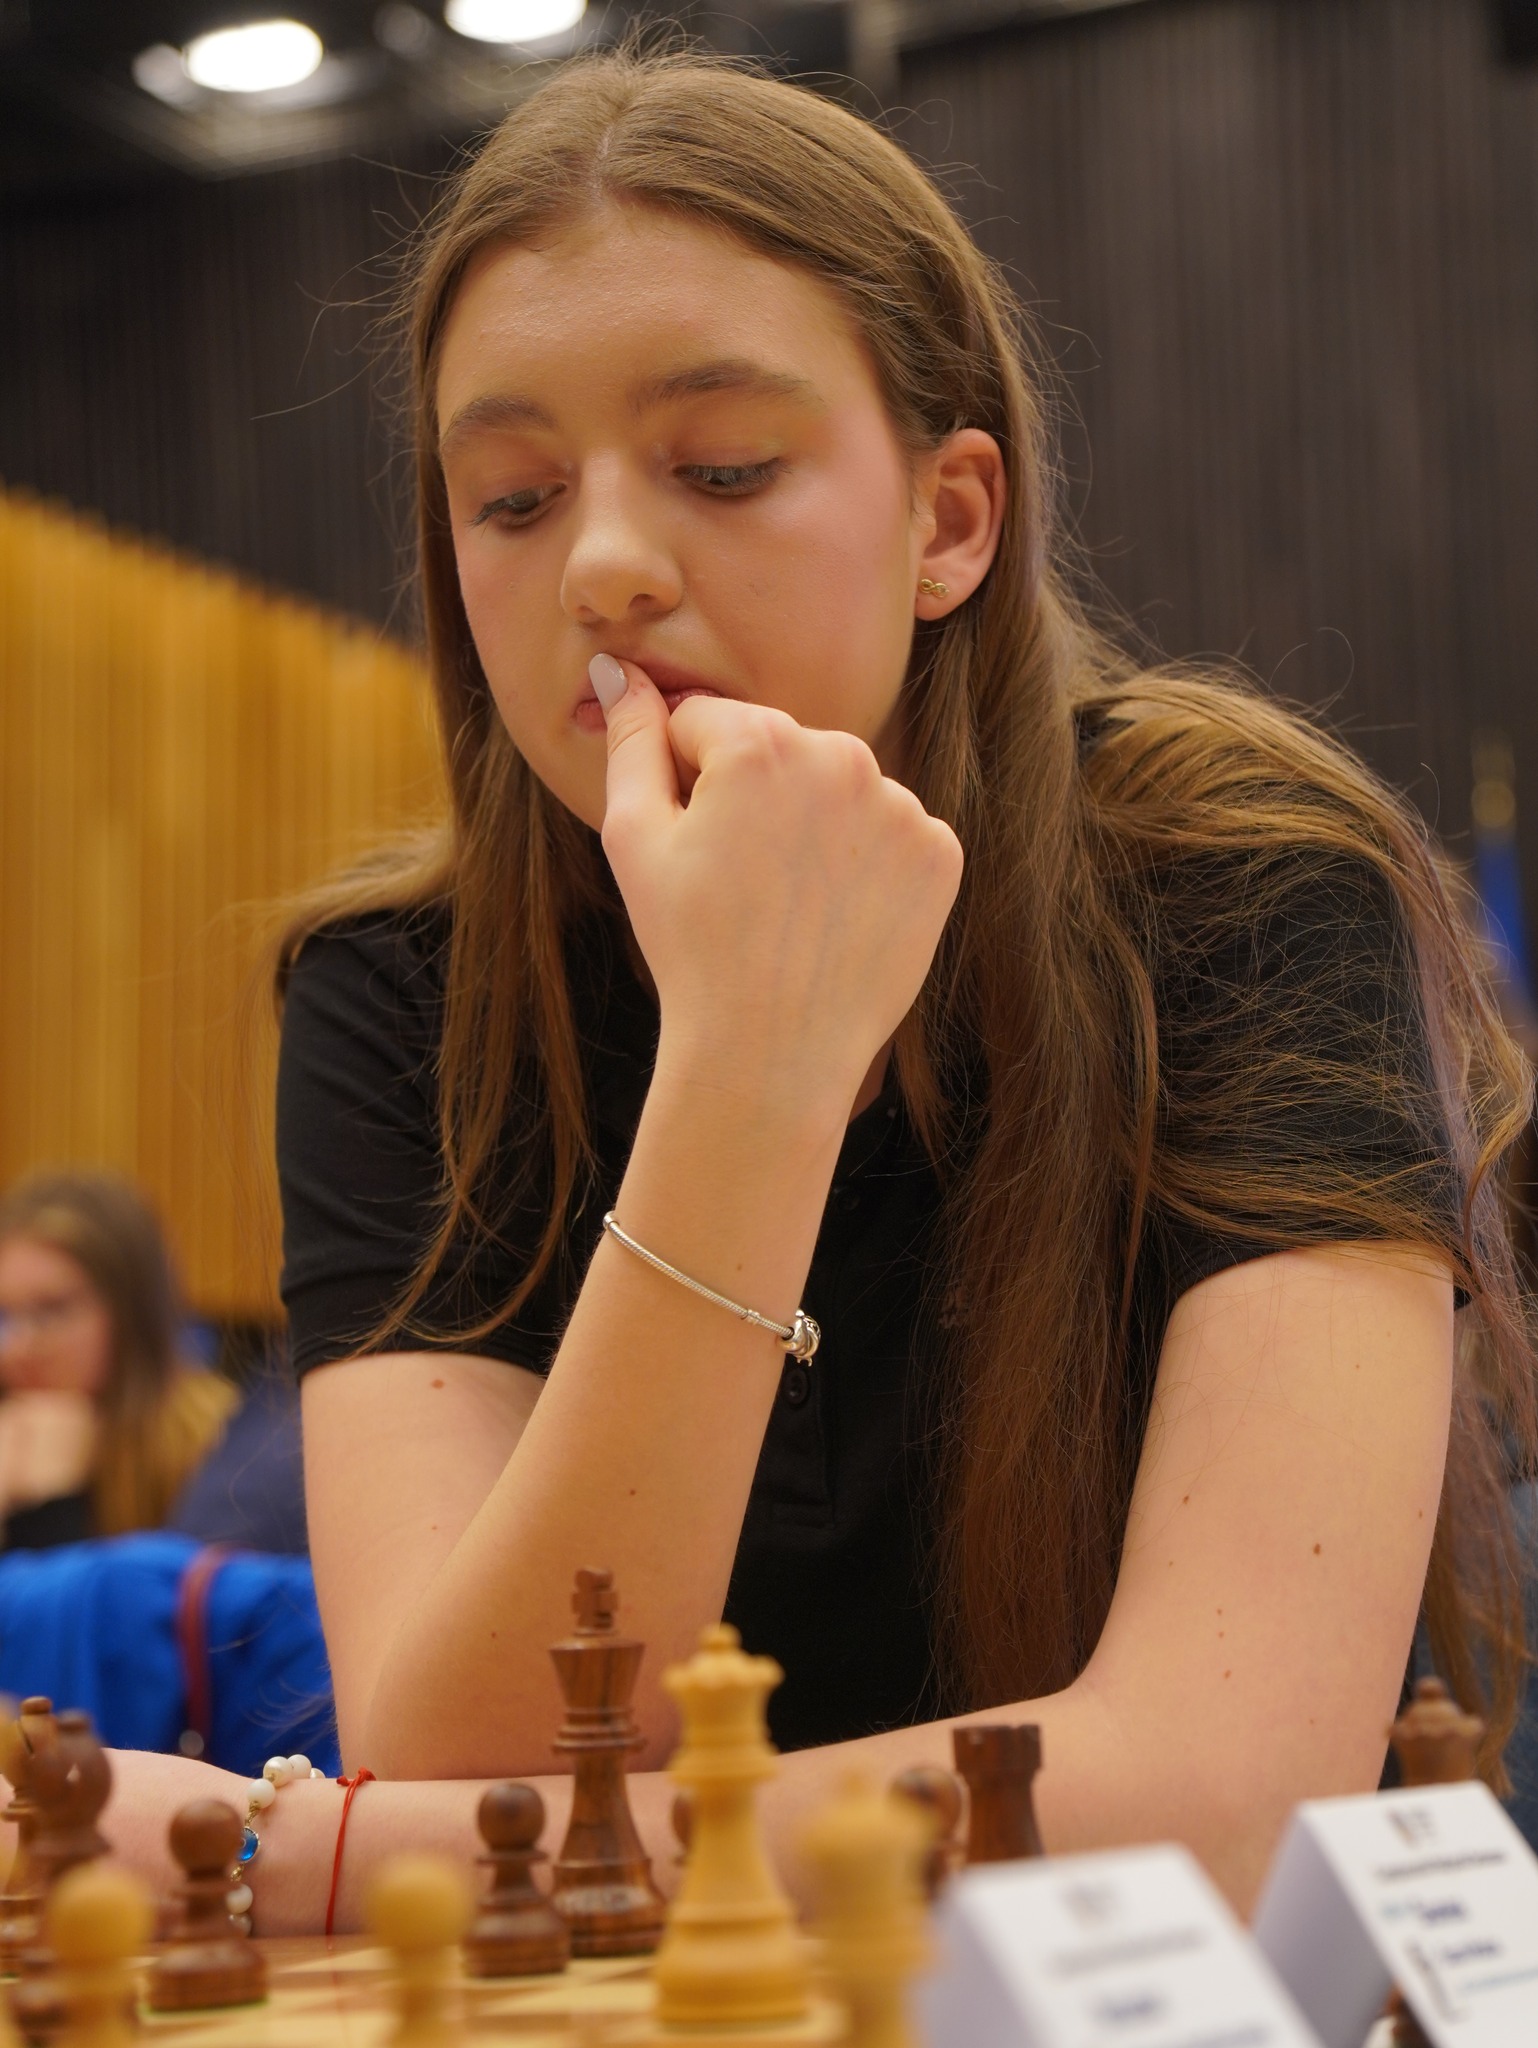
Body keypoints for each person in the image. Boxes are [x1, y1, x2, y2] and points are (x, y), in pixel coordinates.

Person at [25, 46, 1534, 1932]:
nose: (600, 567)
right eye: (509, 498)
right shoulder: (395, 994)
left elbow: (1219, 1806)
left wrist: (311, 1858)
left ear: (949, 521)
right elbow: (491, 1755)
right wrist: (749, 1065)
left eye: (723, 467)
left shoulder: (1247, 882)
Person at [0, 1172, 237, 1549]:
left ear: (132, 1314)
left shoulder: (224, 1452)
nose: (17, 1345)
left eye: (52, 1311)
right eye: (3, 1316)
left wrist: (50, 1507)